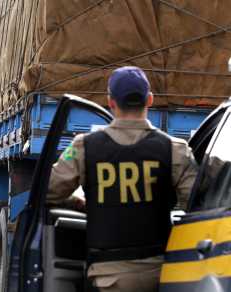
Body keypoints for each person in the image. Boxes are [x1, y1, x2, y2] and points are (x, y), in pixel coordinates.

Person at [47, 66, 199, 292]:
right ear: (149, 99)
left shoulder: (84, 146)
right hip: (162, 276)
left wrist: (77, 203)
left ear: (111, 102)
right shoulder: (175, 150)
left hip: (107, 279)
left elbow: (48, 190)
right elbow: (198, 208)